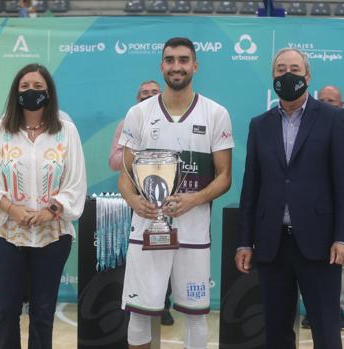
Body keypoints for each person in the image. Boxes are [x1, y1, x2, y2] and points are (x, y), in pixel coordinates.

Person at [235, 48, 344, 349]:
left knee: (326, 331)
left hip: (320, 244)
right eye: (280, 69)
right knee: (276, 333)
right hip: (272, 245)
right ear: (273, 76)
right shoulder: (259, 124)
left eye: (294, 68)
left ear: (307, 75)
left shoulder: (332, 117)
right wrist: (244, 241)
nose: (287, 74)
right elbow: (251, 186)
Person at [118, 37, 234, 349]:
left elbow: (225, 176)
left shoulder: (216, 113)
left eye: (183, 60)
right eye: (170, 60)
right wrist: (133, 200)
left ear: (195, 65)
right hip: (147, 229)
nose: (176, 66)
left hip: (194, 232)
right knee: (140, 314)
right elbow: (126, 176)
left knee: (195, 315)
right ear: (161, 66)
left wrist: (193, 199)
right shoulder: (139, 113)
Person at [0, 63, 87, 349]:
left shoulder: (67, 132)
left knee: (42, 312)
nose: (31, 92)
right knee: (7, 310)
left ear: (49, 93)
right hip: (7, 234)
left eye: (38, 87)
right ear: (16, 92)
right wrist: (13, 210)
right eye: (25, 87)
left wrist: (49, 212)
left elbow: (75, 183)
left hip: (53, 235)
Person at [108, 80, 175, 326]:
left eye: (154, 93)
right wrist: (140, 155)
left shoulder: (173, 121)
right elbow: (114, 161)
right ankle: (137, 303)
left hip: (167, 200)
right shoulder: (129, 123)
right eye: (144, 93)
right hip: (136, 198)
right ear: (137, 98)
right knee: (140, 255)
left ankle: (164, 305)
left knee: (166, 249)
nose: (148, 97)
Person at [301, 85, 344, 331]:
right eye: (322, 100)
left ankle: (337, 310)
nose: (327, 104)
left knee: (340, 260)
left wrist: (332, 140)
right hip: (309, 203)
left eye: (332, 101)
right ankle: (311, 310)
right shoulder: (304, 128)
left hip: (340, 202)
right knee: (307, 256)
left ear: (341, 106)